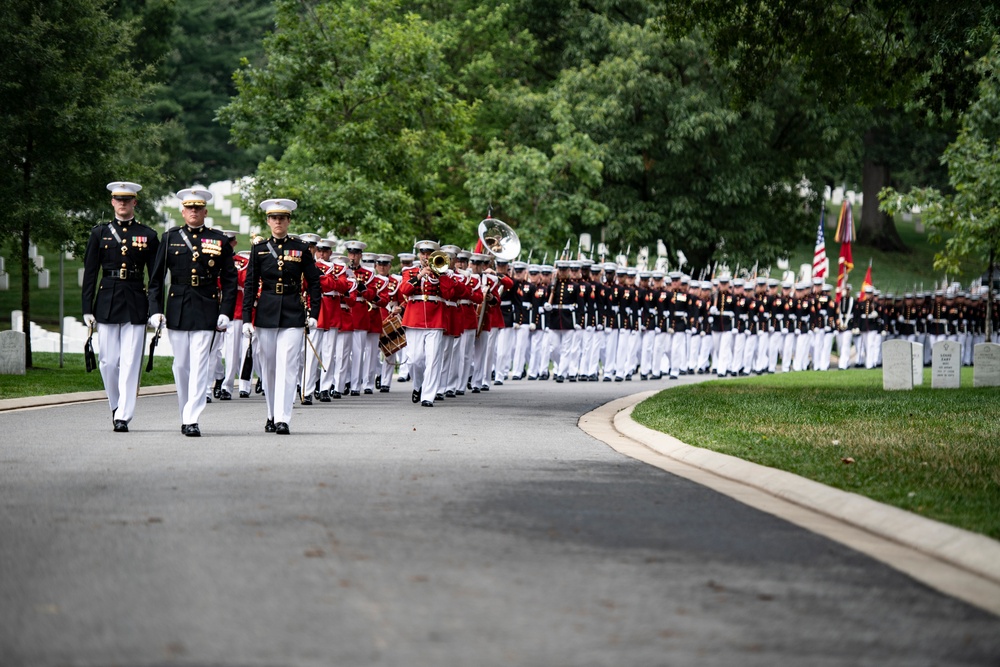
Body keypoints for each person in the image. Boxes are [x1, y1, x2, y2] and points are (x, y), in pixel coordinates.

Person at [147, 187, 237, 437]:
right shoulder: (170, 238)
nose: (194, 212)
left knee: (200, 364)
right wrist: (155, 310)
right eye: (190, 208)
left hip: (206, 306)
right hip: (177, 305)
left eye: (198, 208)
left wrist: (226, 311)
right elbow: (156, 279)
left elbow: (230, 280)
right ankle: (185, 411)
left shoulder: (218, 240)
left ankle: (192, 417)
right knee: (182, 365)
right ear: (183, 211)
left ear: (205, 212)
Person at [81, 181, 160, 433]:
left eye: (128, 200)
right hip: (107, 300)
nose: (123, 203)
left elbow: (156, 278)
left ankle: (124, 415)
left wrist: (156, 309)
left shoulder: (148, 235)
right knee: (107, 361)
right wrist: (86, 308)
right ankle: (116, 405)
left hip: (136, 300)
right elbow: (91, 273)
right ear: (112, 202)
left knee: (129, 362)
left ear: (135, 202)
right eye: (118, 199)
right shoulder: (99, 233)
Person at [241, 199, 321, 434]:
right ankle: (271, 413)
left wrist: (314, 313)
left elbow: (314, 283)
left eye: (282, 218)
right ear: (268, 221)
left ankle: (283, 418)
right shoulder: (259, 249)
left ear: (288, 221)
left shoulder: (302, 248)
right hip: (266, 311)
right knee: (269, 368)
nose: (278, 222)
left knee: (288, 366)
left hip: (292, 312)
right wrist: (247, 318)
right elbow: (250, 285)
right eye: (274, 218)